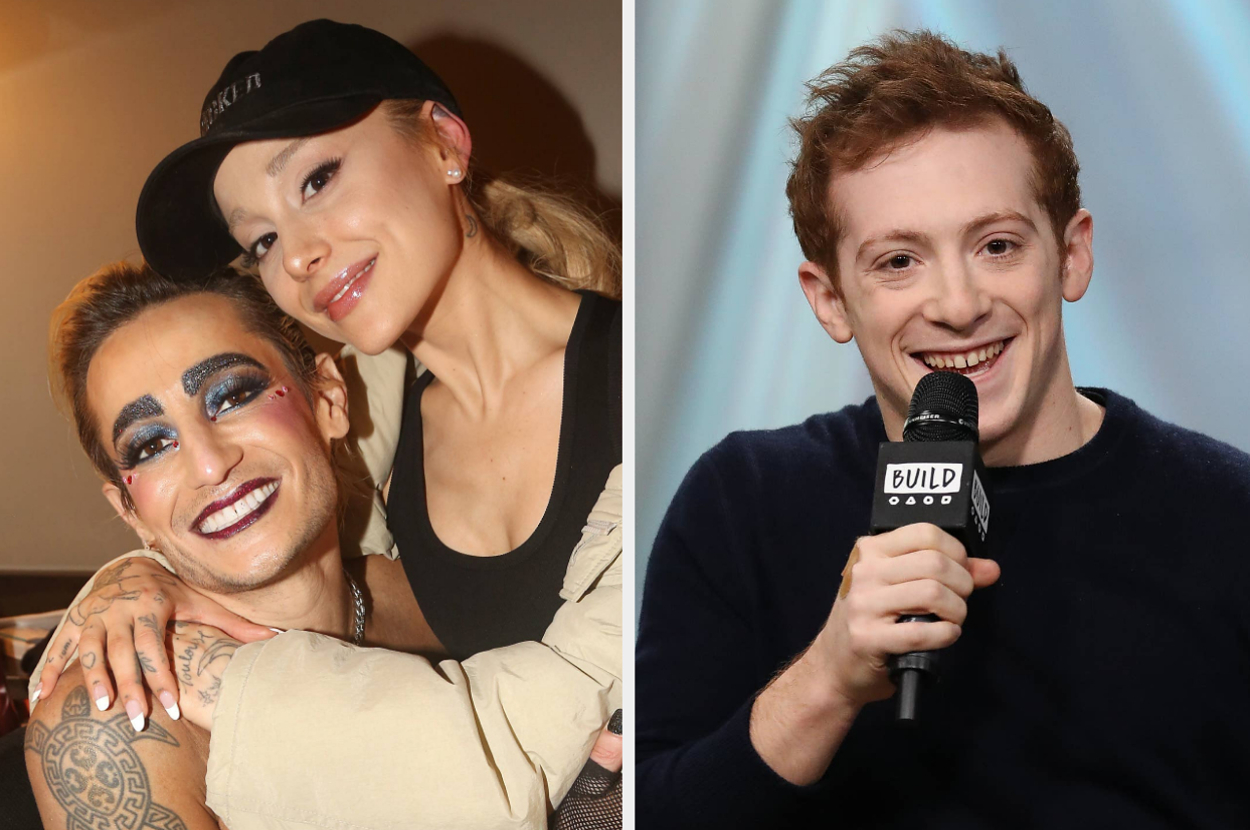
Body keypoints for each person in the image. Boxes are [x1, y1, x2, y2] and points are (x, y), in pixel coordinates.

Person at [635, 30, 1250, 828]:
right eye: (899, 261)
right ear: (829, 301)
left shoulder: (1227, 515)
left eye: (996, 246)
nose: (957, 305)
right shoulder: (742, 502)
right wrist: (827, 678)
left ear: (1070, 255)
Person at [29, 19, 622, 830]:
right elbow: (262, 513)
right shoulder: (385, 401)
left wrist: (203, 663)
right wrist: (130, 576)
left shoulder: (663, 384)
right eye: (262, 239)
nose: (298, 255)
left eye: (317, 180)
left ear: (446, 141)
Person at [23, 262, 620, 830]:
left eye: (231, 395)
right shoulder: (112, 726)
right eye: (151, 444)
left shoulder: (429, 594)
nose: (209, 464)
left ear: (330, 402)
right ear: (131, 511)